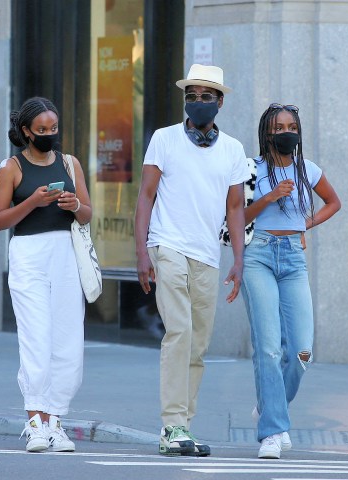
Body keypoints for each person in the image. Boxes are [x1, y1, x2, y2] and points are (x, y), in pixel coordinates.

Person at [135, 64, 250, 456]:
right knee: (179, 332)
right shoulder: (164, 139)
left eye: (205, 96)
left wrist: (238, 259)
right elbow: (146, 195)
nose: (197, 102)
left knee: (198, 345)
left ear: (220, 102)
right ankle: (172, 425)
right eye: (191, 96)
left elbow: (235, 207)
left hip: (207, 255)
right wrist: (141, 252)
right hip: (167, 246)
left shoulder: (233, 149)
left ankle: (183, 426)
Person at [0, 96, 92, 453]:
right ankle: (35, 422)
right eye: (42, 130)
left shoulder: (69, 163)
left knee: (67, 341)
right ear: (26, 132)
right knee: (36, 338)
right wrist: (33, 201)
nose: (50, 134)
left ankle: (56, 422)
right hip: (29, 255)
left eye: (54, 128)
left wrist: (74, 204)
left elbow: (87, 214)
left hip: (65, 254)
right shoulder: (11, 168)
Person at [241, 103, 341, 459]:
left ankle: (271, 407)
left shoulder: (308, 170)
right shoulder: (252, 169)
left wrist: (304, 226)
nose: (286, 132)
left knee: (302, 350)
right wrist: (270, 196)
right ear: (267, 133)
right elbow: (236, 214)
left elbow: (333, 202)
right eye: (279, 127)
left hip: (294, 260)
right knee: (268, 347)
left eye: (291, 126)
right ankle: (272, 431)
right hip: (259, 255)